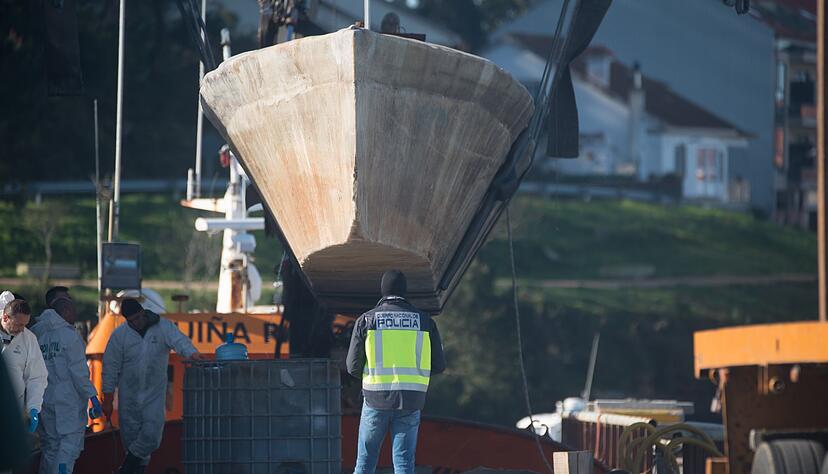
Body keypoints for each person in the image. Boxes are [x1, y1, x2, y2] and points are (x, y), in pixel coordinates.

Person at [346, 270, 446, 474]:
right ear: (404, 292)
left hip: (375, 399)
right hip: (411, 400)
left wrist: (371, 377)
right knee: (403, 463)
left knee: (364, 464)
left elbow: (352, 366)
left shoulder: (366, 321)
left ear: (383, 291)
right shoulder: (425, 322)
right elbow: (439, 365)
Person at [102, 298, 200, 474]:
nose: (136, 323)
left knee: (152, 437)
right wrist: (107, 399)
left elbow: (179, 341)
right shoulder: (120, 336)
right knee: (131, 441)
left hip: (154, 396)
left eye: (138, 318)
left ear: (143, 312)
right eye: (131, 321)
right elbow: (110, 368)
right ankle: (135, 470)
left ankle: (125, 469)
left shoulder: (163, 327)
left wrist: (192, 354)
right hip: (128, 397)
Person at [31, 293, 103, 474]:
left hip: (45, 399)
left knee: (50, 446)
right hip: (68, 401)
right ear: (65, 311)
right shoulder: (69, 335)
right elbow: (79, 373)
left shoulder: (37, 333)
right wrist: (93, 398)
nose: (75, 317)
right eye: (73, 312)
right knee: (69, 447)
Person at [0, 297, 48, 435]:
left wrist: (33, 407)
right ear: (5, 317)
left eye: (25, 325)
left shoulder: (28, 339)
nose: (22, 330)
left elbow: (37, 377)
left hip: (13, 409)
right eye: (18, 325)